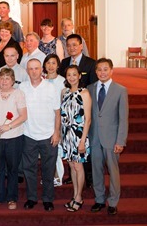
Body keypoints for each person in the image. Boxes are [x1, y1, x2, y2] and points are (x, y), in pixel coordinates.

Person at [88, 58, 129, 216]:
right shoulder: (90, 89)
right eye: (99, 69)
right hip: (94, 137)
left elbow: (123, 118)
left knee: (113, 171)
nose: (102, 72)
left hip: (112, 138)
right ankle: (99, 199)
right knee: (96, 170)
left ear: (111, 71)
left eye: (105, 69)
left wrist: (121, 141)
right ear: (96, 72)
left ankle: (113, 201)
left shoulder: (120, 90)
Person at [20, 59, 60, 212]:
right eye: (31, 69)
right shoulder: (22, 87)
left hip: (48, 135)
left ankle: (48, 199)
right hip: (28, 135)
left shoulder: (51, 88)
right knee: (29, 169)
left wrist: (56, 133)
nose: (34, 71)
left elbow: (57, 113)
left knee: (48, 169)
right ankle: (31, 198)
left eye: (36, 68)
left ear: (41, 69)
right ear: (27, 71)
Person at [59, 34, 97, 187]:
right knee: (72, 159)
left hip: (83, 112)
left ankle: (88, 178)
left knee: (83, 156)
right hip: (69, 115)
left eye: (75, 45)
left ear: (81, 46)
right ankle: (72, 176)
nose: (72, 48)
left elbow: (93, 86)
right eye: (69, 45)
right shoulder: (64, 63)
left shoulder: (90, 63)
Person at [0, 68, 27, 210]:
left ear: (12, 81)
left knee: (12, 169)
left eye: (7, 78)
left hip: (14, 137)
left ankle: (12, 198)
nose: (4, 81)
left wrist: (8, 126)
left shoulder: (18, 94)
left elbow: (23, 115)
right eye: (2, 78)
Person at [61, 65, 91, 212]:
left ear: (79, 76)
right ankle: (74, 195)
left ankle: (79, 197)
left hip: (79, 135)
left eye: (74, 74)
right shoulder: (64, 92)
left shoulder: (84, 93)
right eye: (69, 75)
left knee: (78, 166)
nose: (72, 77)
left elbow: (88, 119)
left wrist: (82, 140)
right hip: (67, 135)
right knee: (72, 166)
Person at [43, 54, 66, 187]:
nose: (51, 66)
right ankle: (49, 175)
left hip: (58, 119)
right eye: (48, 63)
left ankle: (58, 177)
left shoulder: (62, 81)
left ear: (58, 65)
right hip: (45, 120)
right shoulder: (41, 80)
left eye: (53, 63)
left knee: (56, 150)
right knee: (47, 152)